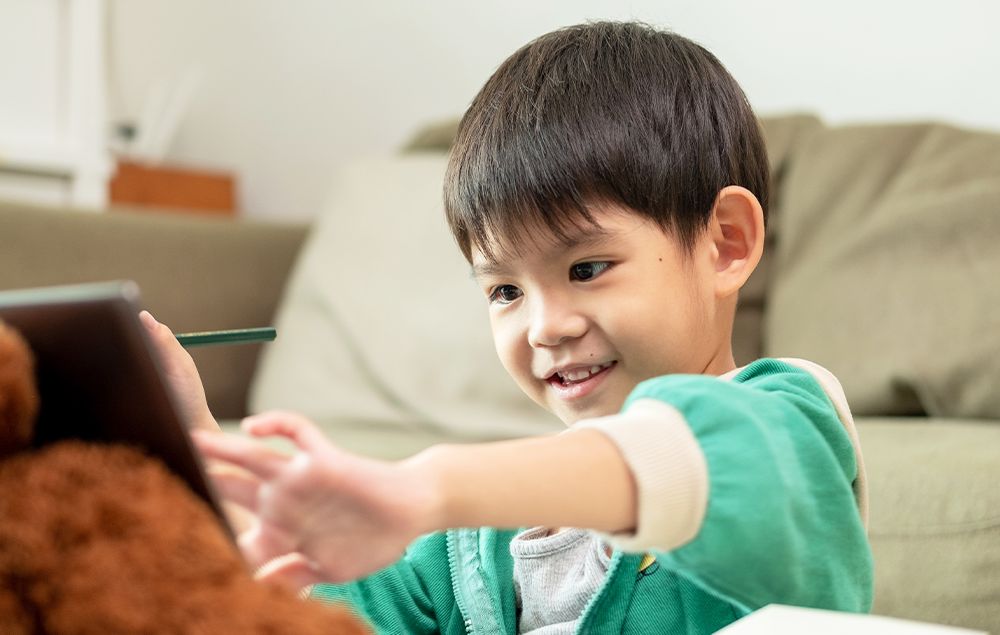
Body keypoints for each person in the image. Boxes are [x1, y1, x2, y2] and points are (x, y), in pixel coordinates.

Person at [143, 21, 873, 635]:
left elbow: (692, 454)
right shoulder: (475, 543)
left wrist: (426, 485)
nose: (544, 326)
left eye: (586, 268)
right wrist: (204, 453)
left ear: (728, 243)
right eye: (504, 290)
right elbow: (316, 612)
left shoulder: (788, 422)